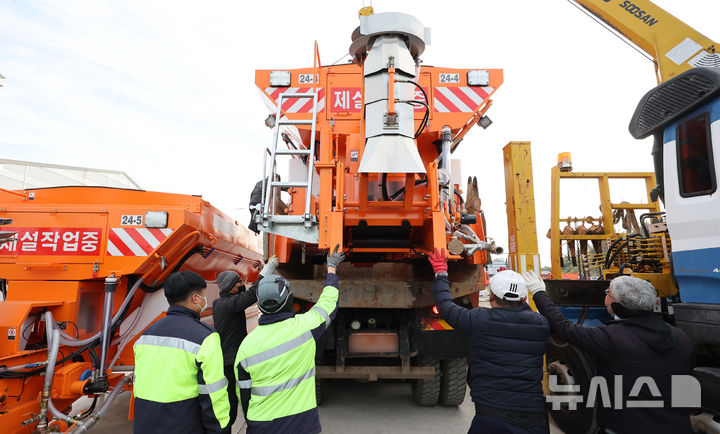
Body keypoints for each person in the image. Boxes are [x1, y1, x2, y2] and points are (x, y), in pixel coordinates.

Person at [523, 272, 694, 434]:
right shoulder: (681, 337)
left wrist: (539, 293)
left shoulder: (612, 338)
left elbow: (563, 327)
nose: (606, 295)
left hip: (627, 427)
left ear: (616, 305)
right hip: (676, 426)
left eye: (608, 293)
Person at [428, 248, 550, 434]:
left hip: (491, 416)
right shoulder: (540, 325)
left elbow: (445, 306)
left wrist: (440, 272)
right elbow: (555, 320)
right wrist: (540, 294)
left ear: (491, 296)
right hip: (533, 417)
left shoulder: (480, 320)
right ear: (524, 298)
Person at [234, 245, 345, 433]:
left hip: (261, 425)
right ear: (288, 300)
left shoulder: (246, 346)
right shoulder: (304, 328)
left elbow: (243, 394)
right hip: (302, 424)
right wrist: (331, 268)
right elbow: (328, 303)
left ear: (260, 305)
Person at [133, 270, 230, 434]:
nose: (204, 300)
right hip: (183, 425)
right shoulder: (205, 337)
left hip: (144, 425)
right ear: (195, 298)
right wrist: (220, 430)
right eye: (203, 296)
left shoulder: (145, 335)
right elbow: (214, 394)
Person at [212, 256, 278, 426]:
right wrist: (267, 270)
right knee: (233, 400)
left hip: (234, 358)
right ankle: (227, 426)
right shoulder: (224, 305)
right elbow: (250, 296)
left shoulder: (225, 301)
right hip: (229, 362)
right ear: (230, 287)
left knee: (241, 395)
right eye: (238, 283)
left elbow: (245, 293)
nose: (240, 285)